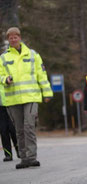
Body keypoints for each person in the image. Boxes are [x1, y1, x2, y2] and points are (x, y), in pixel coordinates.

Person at [0, 27, 53, 169]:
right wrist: (6, 79)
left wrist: (47, 93)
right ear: (8, 40)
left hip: (31, 96)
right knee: (19, 130)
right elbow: (0, 75)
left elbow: (41, 75)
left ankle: (31, 157)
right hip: (13, 100)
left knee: (29, 126)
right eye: (10, 37)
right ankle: (23, 158)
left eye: (15, 37)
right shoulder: (3, 58)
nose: (13, 39)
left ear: (20, 37)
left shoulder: (33, 55)